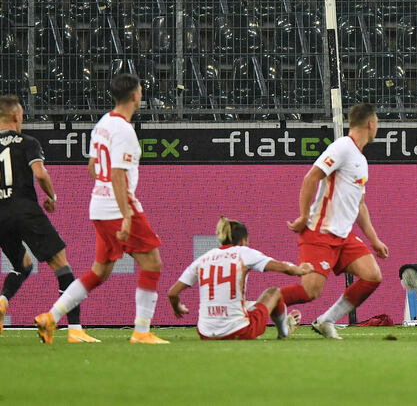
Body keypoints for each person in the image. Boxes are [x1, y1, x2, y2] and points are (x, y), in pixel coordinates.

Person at [35, 74, 167, 345]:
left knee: (100, 272)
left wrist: (107, 187)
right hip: (119, 208)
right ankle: (142, 331)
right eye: (140, 91)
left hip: (99, 206)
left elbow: (93, 166)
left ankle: (50, 317)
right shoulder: (125, 131)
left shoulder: (103, 124)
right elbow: (117, 174)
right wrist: (127, 215)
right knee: (152, 262)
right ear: (134, 96)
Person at [281, 103, 389, 340]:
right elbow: (311, 177)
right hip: (321, 232)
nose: (377, 127)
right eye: (377, 123)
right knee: (310, 292)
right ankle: (262, 304)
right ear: (371, 123)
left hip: (344, 236)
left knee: (372, 275)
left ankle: (325, 320)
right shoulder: (341, 147)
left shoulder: (361, 159)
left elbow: (359, 205)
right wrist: (304, 215)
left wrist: (374, 240)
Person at [0, 95, 97, 343]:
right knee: (62, 265)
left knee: (23, 266)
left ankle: (2, 301)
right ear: (15, 116)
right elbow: (40, 174)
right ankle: (75, 329)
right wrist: (51, 195)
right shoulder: (27, 142)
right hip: (25, 209)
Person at [168, 217, 313, 340]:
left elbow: (173, 293)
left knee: (245, 304)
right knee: (274, 293)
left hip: (205, 333)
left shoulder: (203, 258)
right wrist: (301, 270)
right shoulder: (243, 252)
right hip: (239, 331)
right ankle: (284, 333)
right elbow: (284, 267)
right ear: (244, 240)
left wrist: (177, 308)